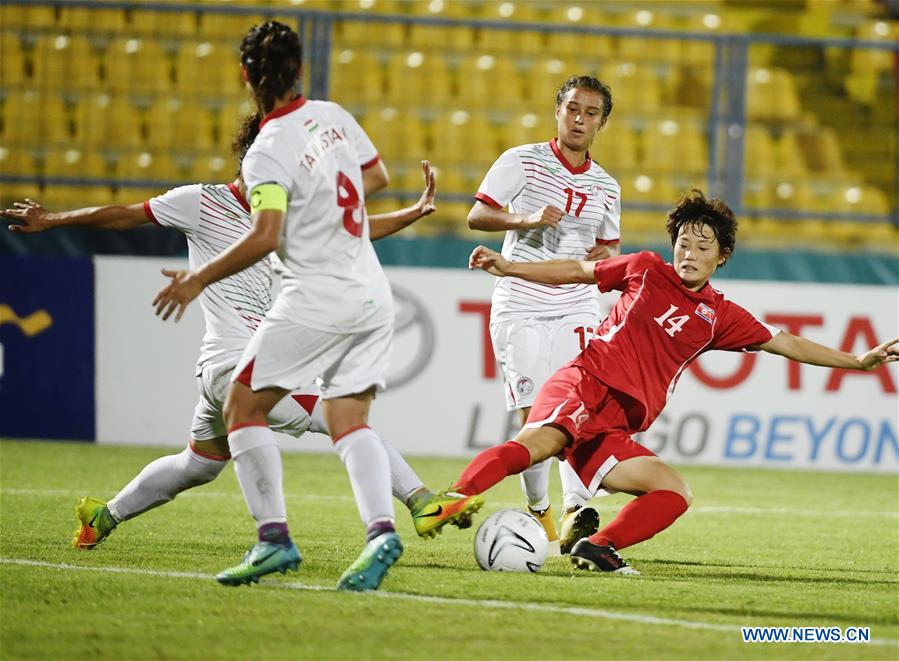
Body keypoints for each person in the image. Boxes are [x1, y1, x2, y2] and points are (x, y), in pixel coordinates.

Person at [3, 128, 450, 557]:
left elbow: (352, 231)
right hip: (236, 365)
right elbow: (124, 214)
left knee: (197, 465)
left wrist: (412, 212)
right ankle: (421, 501)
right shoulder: (201, 202)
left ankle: (104, 516)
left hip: (232, 368)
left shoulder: (282, 217)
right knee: (338, 414)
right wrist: (52, 220)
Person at [151, 21, 482, 591]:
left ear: (245, 76)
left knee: (242, 405)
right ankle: (382, 532)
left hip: (317, 293)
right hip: (371, 292)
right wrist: (326, 204)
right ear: (300, 70)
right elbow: (377, 176)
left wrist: (197, 278)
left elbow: (264, 235)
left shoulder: (266, 152)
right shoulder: (332, 117)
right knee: (347, 420)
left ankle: (272, 539)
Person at [434, 189, 897, 574]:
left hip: (615, 423)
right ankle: (453, 499)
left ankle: (597, 547)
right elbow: (577, 271)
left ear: (722, 256)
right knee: (537, 445)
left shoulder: (719, 316)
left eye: (703, 247)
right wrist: (509, 267)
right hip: (586, 383)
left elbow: (786, 342)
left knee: (674, 492)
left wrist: (858, 361)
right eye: (684, 243)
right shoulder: (645, 268)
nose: (689, 254)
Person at [467, 75, 621, 554]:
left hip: (576, 301)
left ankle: (576, 508)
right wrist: (526, 218)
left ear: (601, 123)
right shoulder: (521, 161)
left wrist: (606, 254)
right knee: (535, 417)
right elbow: (478, 215)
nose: (579, 119)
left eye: (591, 113)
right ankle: (539, 509)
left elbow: (610, 246)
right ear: (558, 111)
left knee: (578, 407)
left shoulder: (606, 185)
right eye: (572, 109)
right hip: (522, 300)